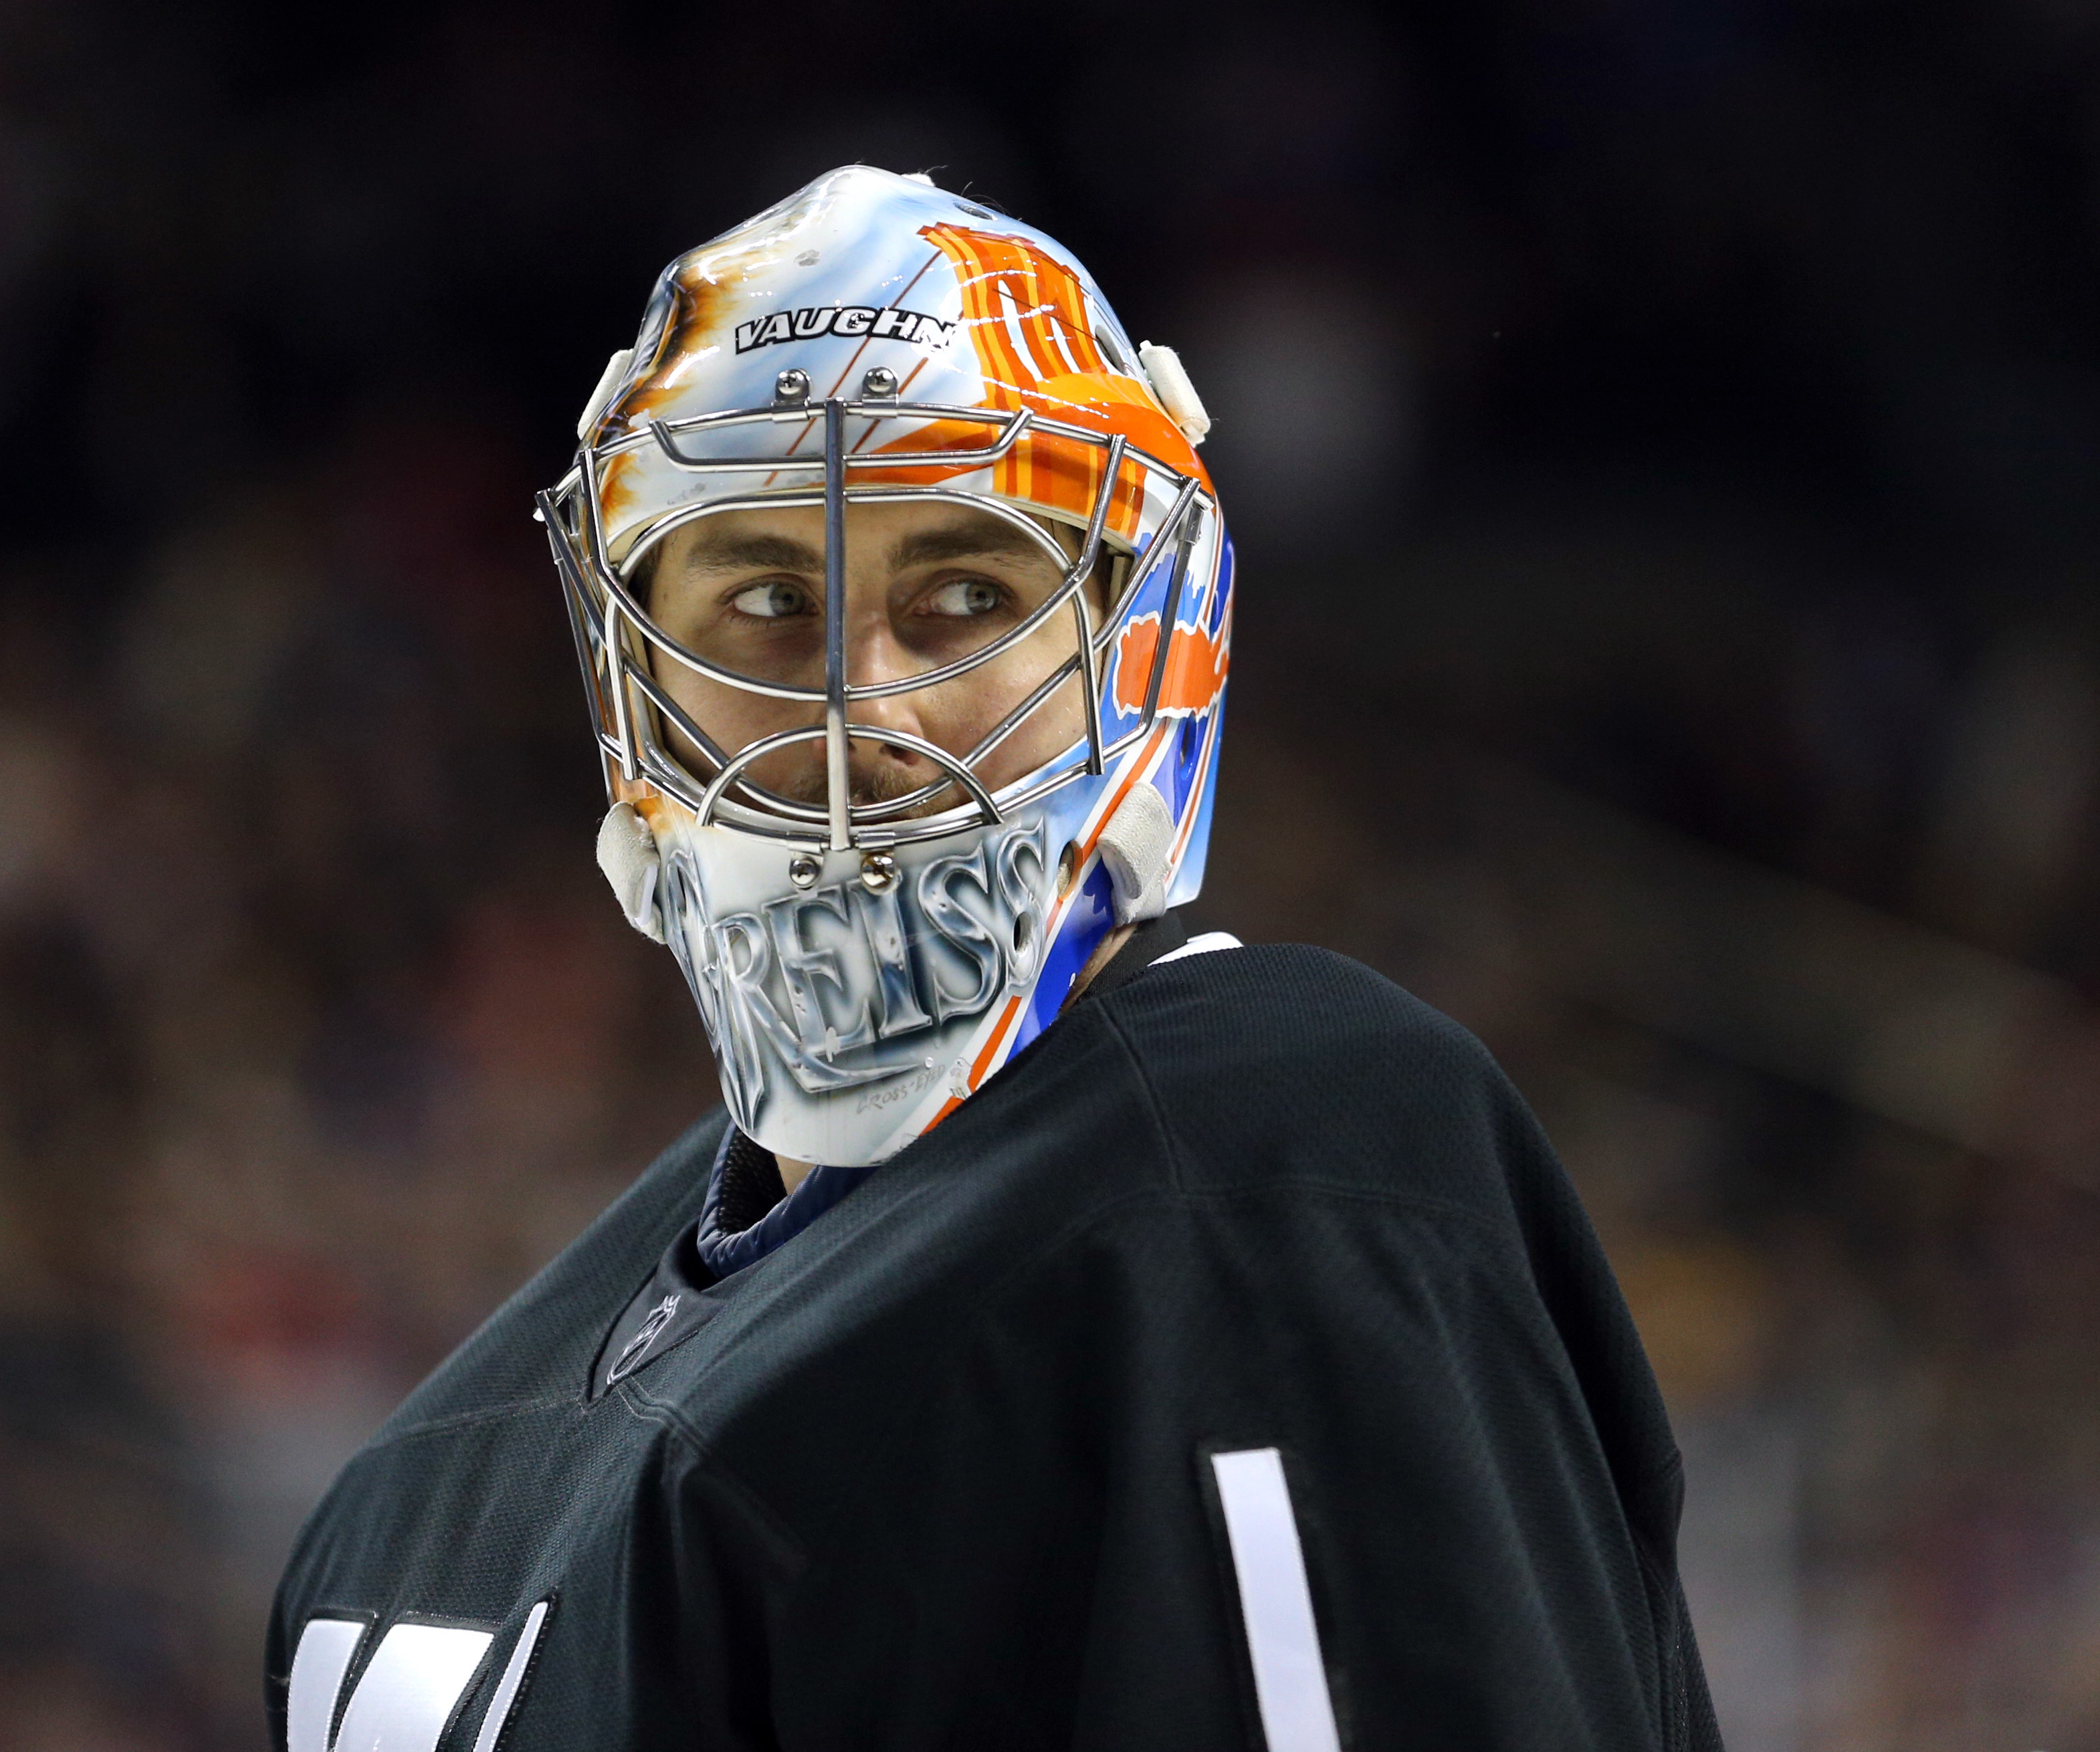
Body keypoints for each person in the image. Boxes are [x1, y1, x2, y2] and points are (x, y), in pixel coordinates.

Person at [267, 165, 1719, 1752]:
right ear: (630, 678)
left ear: (1143, 638)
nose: (857, 715)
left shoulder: (1261, 1162)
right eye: (762, 597)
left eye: (963, 595)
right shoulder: (418, 1485)